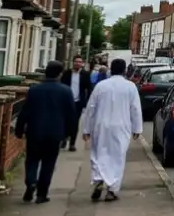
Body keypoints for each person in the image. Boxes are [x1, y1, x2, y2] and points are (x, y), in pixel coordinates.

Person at [14, 60, 76, 204]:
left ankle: (31, 182)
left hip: (35, 132)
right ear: (60, 74)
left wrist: (19, 129)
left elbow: (25, 112)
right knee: (48, 164)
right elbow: (71, 115)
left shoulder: (34, 90)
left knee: (32, 160)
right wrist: (70, 133)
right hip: (55, 134)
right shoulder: (66, 91)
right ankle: (42, 194)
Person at [82, 58, 143, 202]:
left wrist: (86, 129)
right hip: (121, 126)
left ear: (111, 69)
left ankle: (98, 180)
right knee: (117, 157)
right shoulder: (130, 86)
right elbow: (135, 109)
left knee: (98, 153)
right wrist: (137, 128)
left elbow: (91, 108)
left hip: (101, 125)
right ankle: (111, 189)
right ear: (124, 70)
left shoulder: (101, 86)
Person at [59, 56, 93, 152]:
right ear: (73, 62)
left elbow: (89, 88)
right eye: (76, 62)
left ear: (82, 64)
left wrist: (87, 102)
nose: (78, 63)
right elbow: (62, 86)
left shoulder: (85, 74)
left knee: (74, 123)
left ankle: (72, 143)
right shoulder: (66, 73)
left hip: (78, 102)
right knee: (65, 121)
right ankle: (64, 139)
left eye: (80, 62)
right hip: (67, 101)